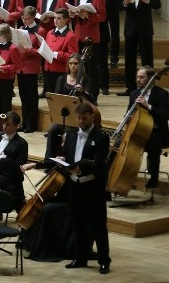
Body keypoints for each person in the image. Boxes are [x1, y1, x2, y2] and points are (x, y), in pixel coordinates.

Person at [62, 103, 111, 274]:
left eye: (84, 118)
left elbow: (98, 164)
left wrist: (81, 168)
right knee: (78, 223)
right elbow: (69, 156)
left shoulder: (101, 138)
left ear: (92, 117)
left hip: (92, 187)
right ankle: (80, 257)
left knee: (98, 225)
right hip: (74, 185)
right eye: (79, 118)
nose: (81, 121)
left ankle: (104, 260)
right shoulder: (72, 134)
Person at [120, 0, 162, 92]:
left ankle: (149, 87)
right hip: (130, 27)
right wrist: (125, 3)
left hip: (145, 27)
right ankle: (130, 87)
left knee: (147, 58)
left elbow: (157, 4)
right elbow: (121, 5)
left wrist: (148, 0)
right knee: (129, 59)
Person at [128, 66, 169, 189]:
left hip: (156, 131)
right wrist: (128, 117)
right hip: (137, 129)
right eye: (137, 77)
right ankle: (125, 176)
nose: (138, 80)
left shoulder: (161, 94)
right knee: (119, 145)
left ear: (151, 79)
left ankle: (154, 178)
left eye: (142, 77)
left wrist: (148, 106)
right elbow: (128, 112)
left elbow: (165, 115)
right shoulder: (134, 93)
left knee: (154, 145)